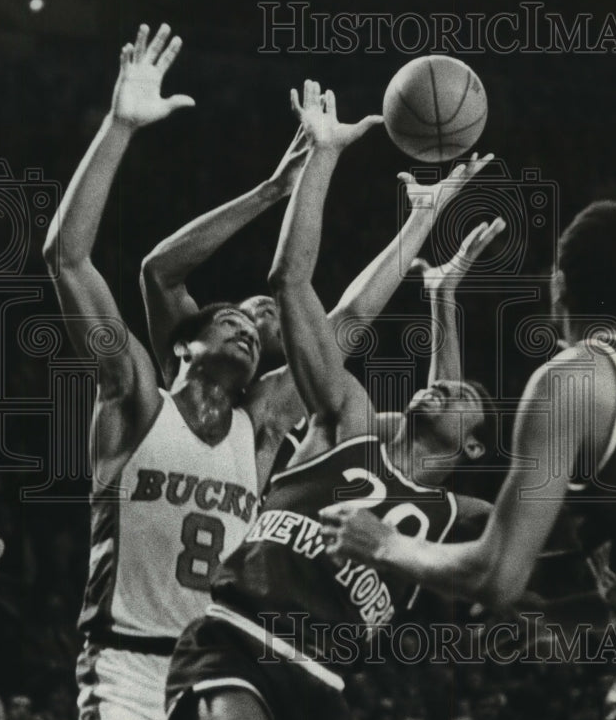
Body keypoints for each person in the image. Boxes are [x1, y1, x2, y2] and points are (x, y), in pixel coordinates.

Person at [165, 80, 498, 720]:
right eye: (441, 384)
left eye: (461, 394)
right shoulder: (344, 422)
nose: (443, 388)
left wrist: (445, 296)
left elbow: (446, 436)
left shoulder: (455, 519)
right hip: (236, 640)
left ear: (475, 448)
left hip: (323, 689)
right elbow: (304, 292)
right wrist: (325, 154)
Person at [43, 23, 300, 720]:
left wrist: (325, 180)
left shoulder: (256, 429)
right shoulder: (135, 396)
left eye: (256, 331)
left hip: (211, 676)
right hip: (122, 664)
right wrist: (119, 128)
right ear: (181, 341)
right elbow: (68, 259)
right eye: (227, 318)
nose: (246, 329)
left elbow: (352, 321)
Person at [321, 200, 616, 720]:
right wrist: (442, 300)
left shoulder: (578, 380)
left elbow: (497, 573)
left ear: (558, 286)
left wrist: (382, 541)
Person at [140, 99, 498, 488]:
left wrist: (426, 229)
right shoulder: (189, 379)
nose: (263, 310)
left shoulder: (281, 402)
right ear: (190, 343)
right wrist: (270, 190)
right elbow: (159, 272)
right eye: (234, 317)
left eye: (280, 314)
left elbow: (437, 437)